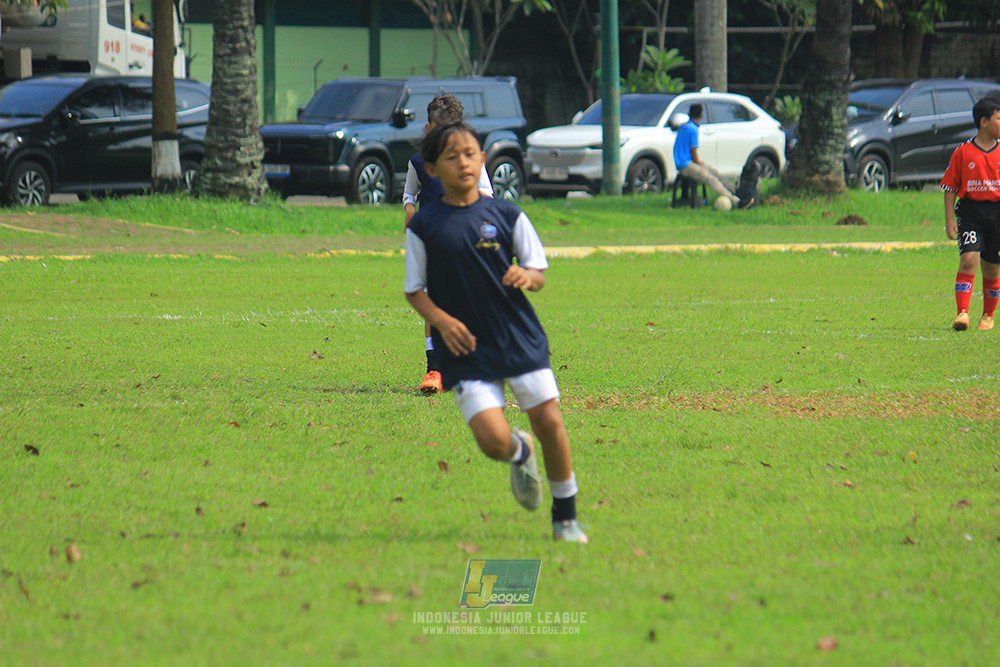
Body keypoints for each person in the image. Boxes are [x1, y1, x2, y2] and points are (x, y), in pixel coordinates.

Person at [404, 121, 588, 543]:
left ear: (483, 160)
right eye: (451, 157)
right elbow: (415, 291)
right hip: (465, 349)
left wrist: (527, 276)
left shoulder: (507, 215)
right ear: (432, 169)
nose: (463, 163)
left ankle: (565, 516)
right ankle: (519, 451)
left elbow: (538, 272)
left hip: (516, 336)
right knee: (491, 441)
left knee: (549, 421)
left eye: (470, 154)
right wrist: (443, 321)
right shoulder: (424, 226)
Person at [402, 94, 493, 394]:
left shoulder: (470, 159)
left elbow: (487, 194)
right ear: (428, 128)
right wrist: (410, 211)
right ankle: (434, 370)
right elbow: (409, 192)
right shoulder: (419, 162)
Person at [942, 95, 1000, 332]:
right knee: (968, 260)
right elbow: (949, 187)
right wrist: (949, 220)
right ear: (984, 122)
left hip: (997, 213)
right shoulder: (963, 152)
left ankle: (987, 316)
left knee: (992, 267)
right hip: (971, 213)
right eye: (999, 118)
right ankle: (962, 313)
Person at [673, 104, 746, 209]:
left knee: (714, 172)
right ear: (701, 115)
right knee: (710, 178)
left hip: (686, 162)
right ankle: (734, 199)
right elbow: (693, 151)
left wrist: (699, 163)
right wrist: (699, 163)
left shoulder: (684, 126)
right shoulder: (693, 129)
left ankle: (735, 191)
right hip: (685, 165)